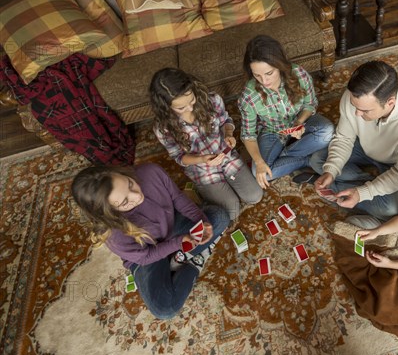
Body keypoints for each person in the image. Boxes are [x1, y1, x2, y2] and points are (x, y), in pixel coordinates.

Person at [71, 163, 230, 319]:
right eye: (125, 202)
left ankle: (181, 258)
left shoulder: (150, 171)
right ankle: (193, 263)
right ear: (110, 212)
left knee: (220, 217)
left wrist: (201, 221)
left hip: (172, 225)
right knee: (164, 309)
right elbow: (145, 257)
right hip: (146, 256)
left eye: (130, 183)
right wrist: (177, 243)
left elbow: (177, 197)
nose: (137, 195)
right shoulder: (112, 234)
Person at [311, 60, 398, 220]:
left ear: (390, 103)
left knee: (393, 209)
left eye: (364, 110)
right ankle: (368, 183)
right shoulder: (355, 97)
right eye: (354, 105)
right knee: (318, 161)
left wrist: (362, 193)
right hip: (365, 147)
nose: (356, 113)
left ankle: (361, 187)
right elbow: (344, 138)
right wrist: (331, 170)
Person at [149, 68, 263, 220]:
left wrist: (228, 134)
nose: (190, 108)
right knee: (231, 212)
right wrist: (202, 160)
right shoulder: (162, 128)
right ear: (165, 106)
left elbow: (225, 121)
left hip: (226, 156)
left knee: (255, 196)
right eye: (181, 107)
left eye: (192, 100)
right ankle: (198, 192)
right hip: (201, 169)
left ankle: (231, 176)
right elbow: (179, 157)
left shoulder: (212, 100)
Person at [238, 35, 334, 189]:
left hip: (302, 122)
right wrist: (260, 162)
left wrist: (299, 122)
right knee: (259, 171)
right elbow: (248, 135)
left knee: (327, 131)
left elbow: (310, 104)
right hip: (272, 131)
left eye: (269, 73)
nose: (264, 81)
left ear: (280, 65)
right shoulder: (249, 96)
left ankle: (285, 157)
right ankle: (307, 159)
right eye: (257, 75)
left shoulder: (299, 75)